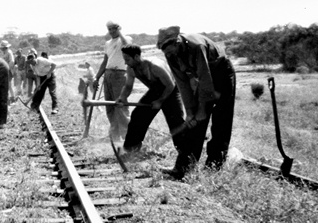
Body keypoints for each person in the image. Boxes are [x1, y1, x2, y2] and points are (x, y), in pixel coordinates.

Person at [158, 26, 236, 171]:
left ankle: (214, 166)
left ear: (177, 43)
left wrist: (201, 109)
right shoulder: (170, 55)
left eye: (169, 50)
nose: (168, 54)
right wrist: (190, 111)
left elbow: (205, 78)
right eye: (164, 51)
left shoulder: (197, 46)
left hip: (221, 73)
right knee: (194, 124)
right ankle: (183, 168)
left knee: (221, 120)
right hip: (202, 77)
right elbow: (182, 84)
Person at [114, 44, 193, 175]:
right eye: (124, 59)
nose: (125, 62)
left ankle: (185, 157)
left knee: (176, 123)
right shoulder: (131, 68)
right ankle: (130, 150)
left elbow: (170, 85)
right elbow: (128, 86)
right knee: (138, 116)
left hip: (171, 91)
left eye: (127, 58)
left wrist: (160, 101)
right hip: (155, 91)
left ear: (137, 56)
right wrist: (122, 97)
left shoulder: (155, 66)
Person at [93, 21, 132, 147]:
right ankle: (115, 138)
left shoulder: (125, 39)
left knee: (120, 106)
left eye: (114, 28)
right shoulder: (107, 43)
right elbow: (105, 61)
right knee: (109, 107)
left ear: (119, 28)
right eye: (109, 29)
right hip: (108, 75)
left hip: (119, 74)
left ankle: (128, 138)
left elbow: (127, 46)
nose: (112, 31)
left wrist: (119, 31)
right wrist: (97, 77)